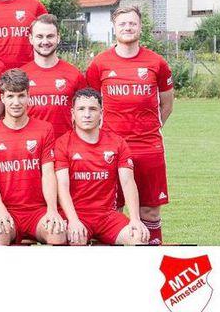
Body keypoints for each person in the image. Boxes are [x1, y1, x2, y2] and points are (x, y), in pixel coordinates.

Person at [86, 6, 173, 245]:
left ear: (140, 27)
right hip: (111, 149)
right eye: (122, 24)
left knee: (150, 212)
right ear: (114, 28)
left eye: (132, 23)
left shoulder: (157, 62)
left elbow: (166, 105)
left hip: (148, 148)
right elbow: (89, 104)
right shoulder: (100, 63)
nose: (128, 28)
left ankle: (151, 258)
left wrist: (149, 129)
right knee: (111, 212)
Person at [0, 69, 66, 246]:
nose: (16, 102)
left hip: (37, 211)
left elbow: (48, 173)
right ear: (2, 98)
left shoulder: (45, 129)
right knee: (1, 230)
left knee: (57, 232)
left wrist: (52, 209)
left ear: (29, 96)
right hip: (6, 208)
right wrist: (0, 210)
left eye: (21, 96)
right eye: (10, 96)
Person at [54, 88, 149, 245]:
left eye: (92, 109)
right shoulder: (62, 143)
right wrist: (73, 220)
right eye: (81, 109)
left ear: (101, 113)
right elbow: (62, 186)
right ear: (73, 113)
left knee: (139, 236)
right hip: (76, 214)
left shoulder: (117, 143)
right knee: (76, 239)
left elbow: (127, 182)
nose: (87, 114)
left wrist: (135, 219)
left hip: (107, 216)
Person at [20, 14, 88, 139]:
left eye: (50, 36)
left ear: (58, 38)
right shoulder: (21, 75)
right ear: (31, 39)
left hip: (65, 146)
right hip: (30, 146)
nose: (45, 41)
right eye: (39, 36)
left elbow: (85, 114)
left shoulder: (74, 75)